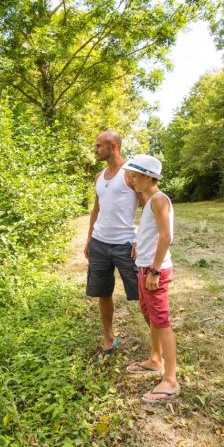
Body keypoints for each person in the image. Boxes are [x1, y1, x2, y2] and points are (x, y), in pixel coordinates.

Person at [121, 154, 179, 404]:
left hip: (154, 271)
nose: (131, 180)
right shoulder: (150, 201)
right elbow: (150, 232)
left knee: (161, 320)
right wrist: (138, 244)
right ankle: (155, 359)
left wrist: (155, 271)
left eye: (134, 175)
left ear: (147, 176)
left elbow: (166, 236)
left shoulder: (159, 200)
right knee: (149, 315)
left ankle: (171, 379)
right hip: (143, 267)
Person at [85, 130, 144, 359]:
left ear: (114, 147)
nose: (95, 150)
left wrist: (140, 240)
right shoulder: (99, 176)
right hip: (99, 244)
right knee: (103, 292)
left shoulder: (131, 174)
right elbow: (96, 209)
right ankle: (109, 340)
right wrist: (89, 239)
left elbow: (148, 207)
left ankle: (158, 347)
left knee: (142, 294)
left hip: (124, 244)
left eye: (99, 146)